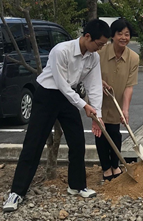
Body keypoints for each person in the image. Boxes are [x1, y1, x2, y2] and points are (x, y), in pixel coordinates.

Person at [2, 19, 111, 212]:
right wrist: (84, 105)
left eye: (103, 45)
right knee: (33, 143)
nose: (100, 48)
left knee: (77, 141)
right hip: (47, 95)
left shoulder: (93, 58)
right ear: (87, 36)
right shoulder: (61, 51)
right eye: (99, 44)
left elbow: (94, 86)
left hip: (69, 97)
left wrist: (97, 114)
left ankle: (76, 185)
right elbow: (61, 84)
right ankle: (16, 192)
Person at [96, 19, 139, 181]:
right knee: (100, 133)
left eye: (127, 34)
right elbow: (88, 75)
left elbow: (129, 86)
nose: (123, 37)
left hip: (116, 101)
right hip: (98, 100)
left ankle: (115, 165)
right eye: (119, 33)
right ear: (112, 36)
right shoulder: (99, 53)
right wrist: (98, 83)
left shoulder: (133, 58)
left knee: (114, 133)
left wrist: (125, 109)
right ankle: (105, 168)